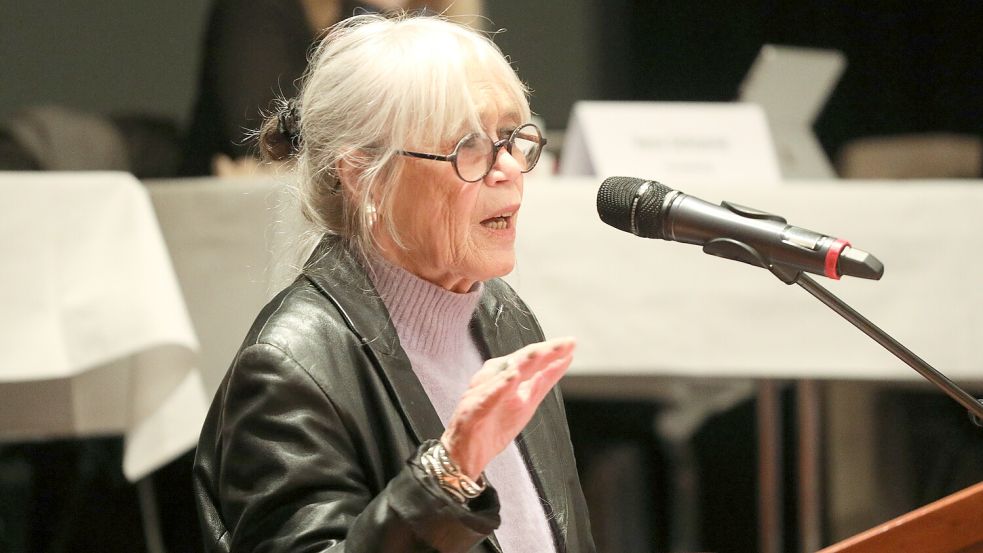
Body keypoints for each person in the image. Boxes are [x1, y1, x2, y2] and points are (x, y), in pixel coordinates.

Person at [192, 12, 595, 553]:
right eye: (469, 146)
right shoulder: (290, 368)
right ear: (365, 177)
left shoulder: (503, 317)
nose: (508, 169)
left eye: (511, 137)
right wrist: (446, 476)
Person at [180, 0, 483, 176]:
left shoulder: (424, 13)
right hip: (239, 215)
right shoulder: (254, 9)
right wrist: (370, 11)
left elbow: (460, 123)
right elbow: (264, 135)